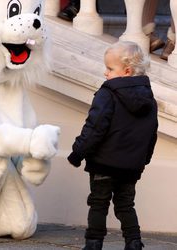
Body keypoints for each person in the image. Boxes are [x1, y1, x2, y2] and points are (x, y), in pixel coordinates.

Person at [67, 41, 158, 250]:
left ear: (126, 71)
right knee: (126, 205)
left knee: (98, 203)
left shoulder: (107, 93)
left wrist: (77, 153)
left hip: (103, 163)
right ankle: (134, 242)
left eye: (109, 68)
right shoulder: (149, 99)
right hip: (131, 166)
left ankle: (93, 243)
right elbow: (151, 133)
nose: (105, 73)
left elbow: (95, 127)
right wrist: (142, 160)